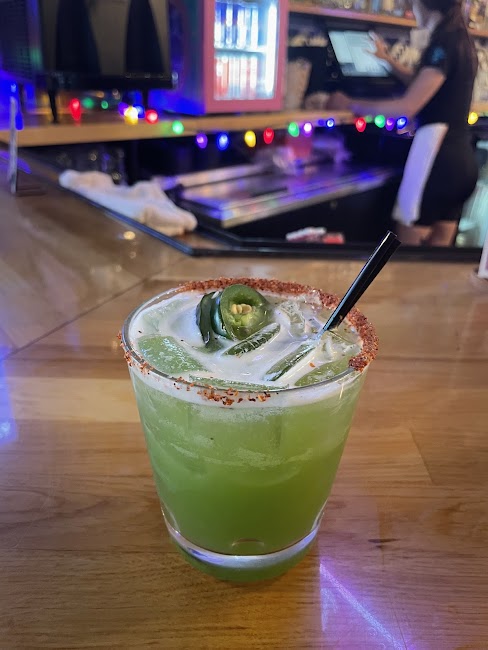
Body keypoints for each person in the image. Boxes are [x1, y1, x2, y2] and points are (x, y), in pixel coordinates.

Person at [328, 0, 479, 246]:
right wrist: (388, 60)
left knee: (405, 252)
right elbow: (425, 84)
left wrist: (349, 103)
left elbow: (408, 106)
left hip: (435, 157)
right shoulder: (460, 39)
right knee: (438, 257)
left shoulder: (443, 43)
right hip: (461, 161)